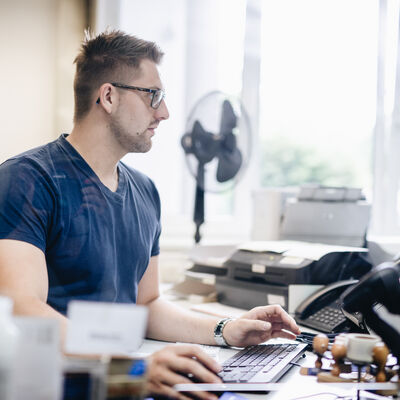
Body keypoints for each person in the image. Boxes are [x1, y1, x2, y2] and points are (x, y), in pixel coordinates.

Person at [0, 29, 300, 399]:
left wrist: (226, 328)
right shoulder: (27, 180)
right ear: (108, 96)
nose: (165, 112)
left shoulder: (145, 191)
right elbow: (21, 310)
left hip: (126, 380)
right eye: (153, 95)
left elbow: (147, 305)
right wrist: (133, 369)